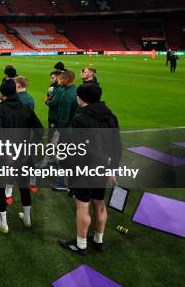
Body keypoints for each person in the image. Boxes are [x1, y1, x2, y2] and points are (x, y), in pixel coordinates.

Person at [59, 83, 122, 255]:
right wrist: (112, 167)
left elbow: (81, 149)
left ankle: (81, 244)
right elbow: (117, 145)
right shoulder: (111, 116)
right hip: (103, 169)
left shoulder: (80, 119)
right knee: (99, 203)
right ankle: (98, 239)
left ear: (82, 98)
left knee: (83, 206)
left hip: (84, 169)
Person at [0, 82, 44, 234]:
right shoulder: (27, 109)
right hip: (23, 155)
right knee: (24, 186)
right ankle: (27, 219)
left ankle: (3, 223)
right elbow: (40, 131)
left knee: (0, 188)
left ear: (2, 94)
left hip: (5, 157)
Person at [45, 70, 78, 191]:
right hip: (74, 129)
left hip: (66, 130)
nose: (59, 81)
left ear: (67, 80)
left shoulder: (66, 95)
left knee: (64, 155)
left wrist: (59, 129)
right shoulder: (75, 90)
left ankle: (64, 182)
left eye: (61, 79)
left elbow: (64, 116)